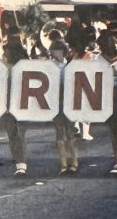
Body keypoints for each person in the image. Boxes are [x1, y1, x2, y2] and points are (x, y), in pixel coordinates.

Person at [96, 30, 117, 173]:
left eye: (106, 43)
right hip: (107, 98)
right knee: (112, 130)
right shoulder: (99, 59)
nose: (104, 47)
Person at [49, 34, 79, 175]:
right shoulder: (50, 66)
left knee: (69, 133)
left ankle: (74, 162)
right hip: (57, 103)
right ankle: (63, 164)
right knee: (59, 134)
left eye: (58, 50)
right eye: (54, 50)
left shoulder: (70, 64)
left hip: (68, 102)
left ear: (63, 51)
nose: (55, 53)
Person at [2, 39, 29, 176]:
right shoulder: (3, 67)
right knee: (12, 135)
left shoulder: (23, 67)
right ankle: (19, 162)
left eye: (6, 52)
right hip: (6, 107)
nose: (4, 55)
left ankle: (21, 164)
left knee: (19, 135)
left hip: (20, 105)